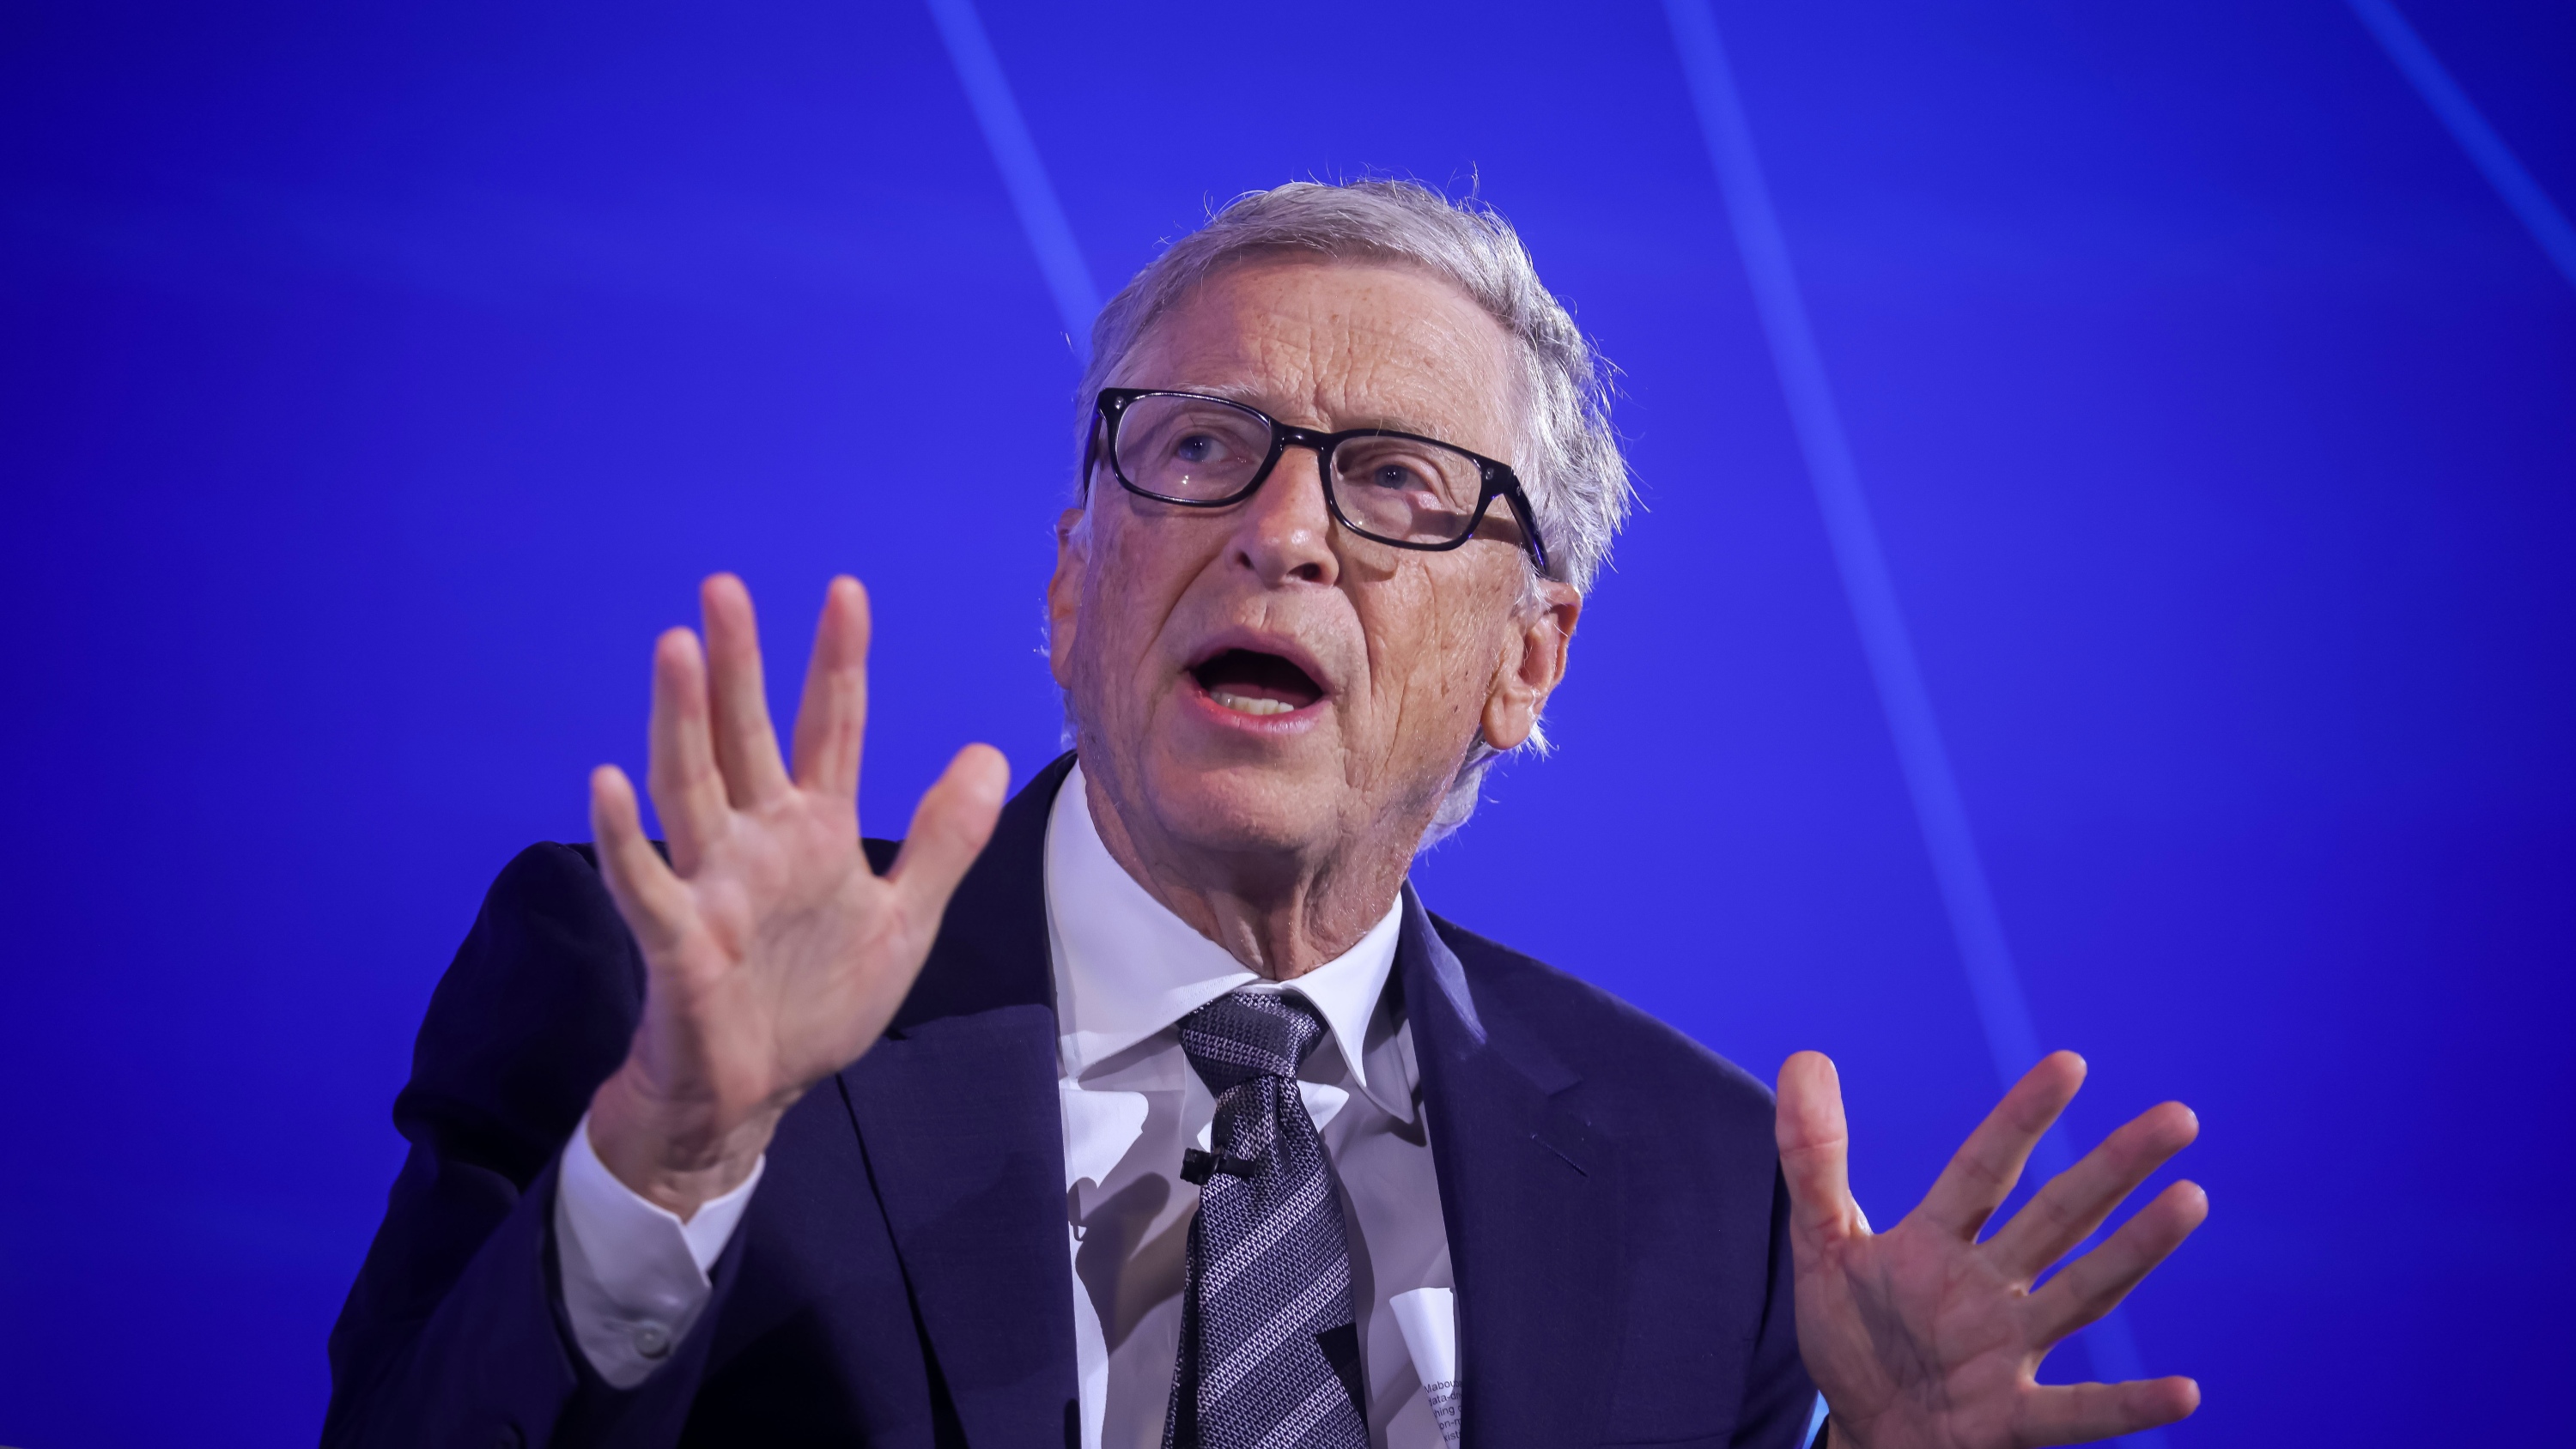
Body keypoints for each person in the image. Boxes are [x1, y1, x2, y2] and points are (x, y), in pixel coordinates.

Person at [324, 180, 2206, 1449]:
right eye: (1205, 446)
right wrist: (663, 1157)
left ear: (1528, 657)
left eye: (1397, 483)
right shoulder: (655, 998)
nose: (1284, 530)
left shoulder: (1701, 1196)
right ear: (1075, 580)